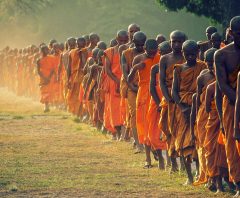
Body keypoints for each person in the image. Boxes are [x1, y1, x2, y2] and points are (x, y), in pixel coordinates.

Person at [172, 40, 206, 185]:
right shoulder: (178, 69)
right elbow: (174, 91)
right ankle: (189, 177)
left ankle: (200, 173)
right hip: (183, 109)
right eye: (188, 54)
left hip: (198, 107)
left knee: (198, 140)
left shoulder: (203, 67)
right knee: (183, 143)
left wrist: (196, 106)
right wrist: (183, 107)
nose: (191, 57)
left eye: (193, 54)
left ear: (198, 53)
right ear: (183, 54)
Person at [215, 16, 240, 197]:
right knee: (233, 144)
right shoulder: (222, 55)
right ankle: (239, 185)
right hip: (232, 105)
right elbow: (222, 85)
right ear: (230, 33)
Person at [128, 39, 160, 168]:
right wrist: (135, 68)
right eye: (150, 53)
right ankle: (148, 159)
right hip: (142, 95)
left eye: (154, 52)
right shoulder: (138, 58)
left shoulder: (160, 57)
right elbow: (128, 79)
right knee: (144, 125)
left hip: (156, 93)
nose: (152, 55)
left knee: (155, 124)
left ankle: (156, 149)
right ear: (144, 48)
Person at [159, 30, 186, 173]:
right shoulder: (165, 59)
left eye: (179, 41)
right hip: (169, 99)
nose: (176, 44)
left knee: (183, 130)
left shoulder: (189, 56)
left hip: (184, 97)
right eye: (173, 41)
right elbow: (162, 81)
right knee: (170, 130)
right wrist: (167, 98)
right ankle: (174, 163)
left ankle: (183, 162)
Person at [121, 31, 146, 152]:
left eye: (143, 44)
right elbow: (126, 73)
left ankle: (146, 140)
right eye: (138, 45)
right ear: (133, 42)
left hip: (145, 88)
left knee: (146, 113)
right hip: (131, 87)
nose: (141, 47)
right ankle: (138, 143)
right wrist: (132, 87)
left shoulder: (149, 53)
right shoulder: (126, 53)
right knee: (134, 113)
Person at [148, 41, 171, 169]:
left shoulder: (175, 66)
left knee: (168, 131)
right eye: (162, 53)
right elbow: (152, 88)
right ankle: (160, 158)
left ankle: (169, 160)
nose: (165, 56)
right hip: (156, 102)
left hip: (169, 102)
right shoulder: (155, 68)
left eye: (168, 53)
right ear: (159, 53)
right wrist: (159, 104)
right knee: (153, 133)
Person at [105, 30, 129, 140]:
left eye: (125, 40)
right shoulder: (110, 52)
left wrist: (124, 81)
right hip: (114, 83)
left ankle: (125, 133)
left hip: (126, 82)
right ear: (117, 39)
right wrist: (117, 80)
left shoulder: (129, 51)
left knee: (125, 108)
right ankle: (118, 133)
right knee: (115, 110)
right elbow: (107, 70)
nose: (123, 42)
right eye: (121, 40)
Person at [37, 45, 55, 112]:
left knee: (50, 91)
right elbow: (38, 71)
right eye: (44, 50)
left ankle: (48, 105)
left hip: (50, 77)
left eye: (47, 50)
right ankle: (46, 106)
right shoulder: (38, 60)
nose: (46, 51)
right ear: (41, 51)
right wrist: (44, 78)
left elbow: (53, 69)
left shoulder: (52, 58)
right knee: (44, 92)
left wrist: (49, 77)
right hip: (43, 78)